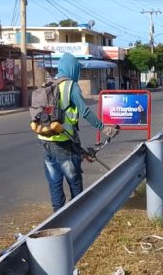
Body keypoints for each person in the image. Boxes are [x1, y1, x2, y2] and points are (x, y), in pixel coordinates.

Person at [39, 53, 117, 211]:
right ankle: (78, 213)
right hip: (63, 141)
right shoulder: (70, 86)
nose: (78, 73)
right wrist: (104, 128)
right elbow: (85, 111)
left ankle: (57, 215)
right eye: (77, 69)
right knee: (74, 179)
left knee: (54, 179)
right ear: (72, 69)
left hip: (45, 137)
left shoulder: (49, 84)